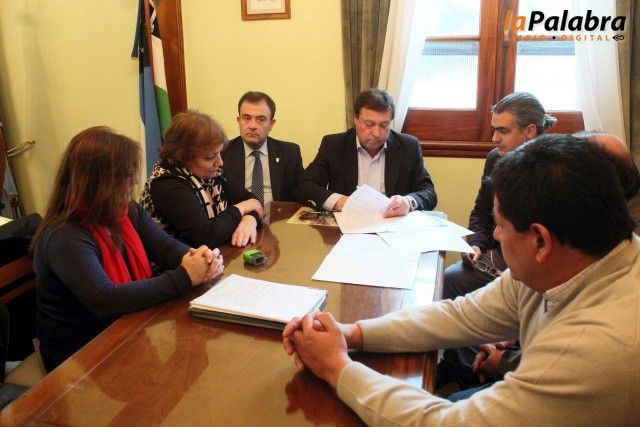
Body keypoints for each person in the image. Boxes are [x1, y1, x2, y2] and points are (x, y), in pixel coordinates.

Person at [283, 134, 640, 426]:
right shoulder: (566, 260)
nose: (494, 235)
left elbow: (450, 423)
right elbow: (462, 315)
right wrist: (352, 333)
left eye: (500, 225)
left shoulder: (596, 350)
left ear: (540, 241)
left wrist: (336, 366)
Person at [33, 127, 223, 372]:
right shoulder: (64, 235)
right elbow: (105, 298)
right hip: (80, 357)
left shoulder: (125, 209)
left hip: (127, 331)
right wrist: (185, 276)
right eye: (126, 175)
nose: (134, 182)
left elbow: (165, 248)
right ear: (99, 182)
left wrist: (199, 257)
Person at [296, 88, 437, 216]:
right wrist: (340, 201)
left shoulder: (408, 146)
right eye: (369, 124)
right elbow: (305, 186)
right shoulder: (334, 145)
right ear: (355, 119)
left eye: (384, 125)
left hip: (391, 224)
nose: (376, 133)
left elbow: (428, 193)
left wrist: (408, 202)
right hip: (349, 222)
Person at [140, 110, 263, 248]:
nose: (220, 162)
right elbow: (205, 237)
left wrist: (249, 220)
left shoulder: (213, 173)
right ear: (183, 156)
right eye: (210, 157)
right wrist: (240, 209)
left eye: (219, 153)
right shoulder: (166, 184)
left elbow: (253, 202)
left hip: (220, 255)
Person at [222, 91, 303, 205]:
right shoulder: (223, 153)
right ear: (238, 121)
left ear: (271, 124)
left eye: (261, 119)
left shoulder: (289, 153)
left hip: (277, 215)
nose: (252, 126)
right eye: (246, 118)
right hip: (238, 214)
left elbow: (303, 193)